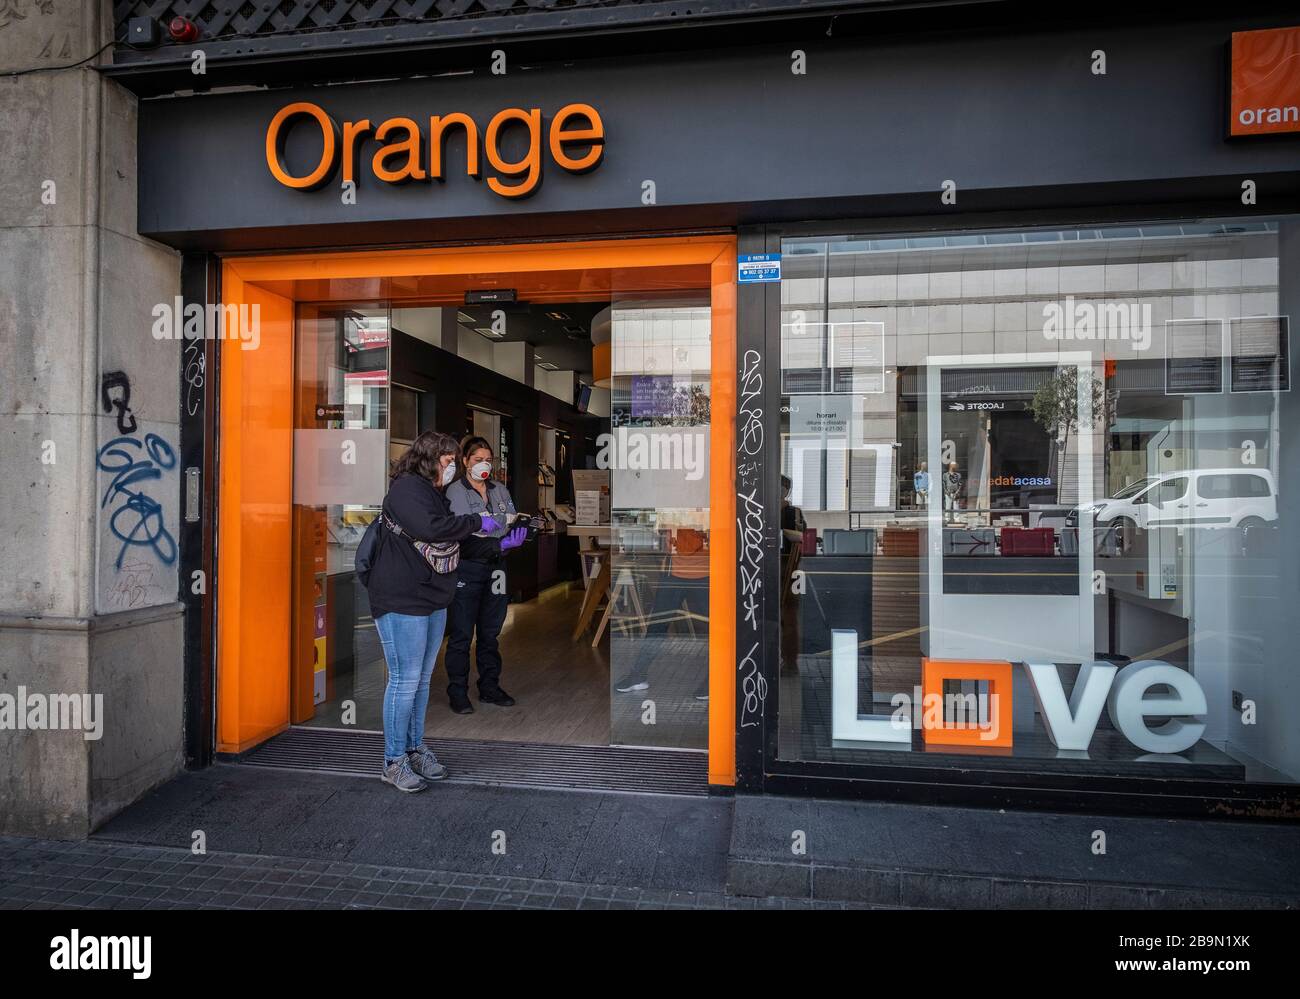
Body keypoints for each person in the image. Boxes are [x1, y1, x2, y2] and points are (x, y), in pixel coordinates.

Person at [366, 431, 503, 793]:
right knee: (405, 679)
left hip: (431, 597)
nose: (453, 468)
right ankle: (392, 761)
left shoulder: (432, 492)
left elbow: (446, 532)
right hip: (402, 598)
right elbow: (432, 528)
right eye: (448, 461)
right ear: (429, 458)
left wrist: (492, 532)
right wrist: (477, 522)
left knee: (422, 680)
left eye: (454, 462)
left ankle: (414, 748)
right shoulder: (406, 489)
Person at [444, 435, 528, 714]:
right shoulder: (455, 491)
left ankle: (490, 686)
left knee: (491, 633)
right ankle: (458, 691)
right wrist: (496, 535)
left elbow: (510, 520)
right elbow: (463, 533)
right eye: (478, 460)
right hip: (467, 568)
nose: (484, 465)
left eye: (489, 461)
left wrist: (499, 537)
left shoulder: (499, 490)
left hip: (497, 567)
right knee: (461, 634)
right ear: (465, 461)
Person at [614, 527, 709, 700]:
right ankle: (638, 674)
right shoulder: (678, 508)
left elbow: (690, 545)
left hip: (706, 574)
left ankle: (717, 680)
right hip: (674, 573)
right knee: (657, 625)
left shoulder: (698, 509)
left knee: (716, 630)